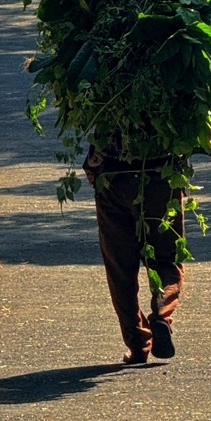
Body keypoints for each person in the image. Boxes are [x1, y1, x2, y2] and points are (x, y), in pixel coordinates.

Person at [84, 146, 184, 365]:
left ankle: (137, 343)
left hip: (113, 176)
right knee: (165, 260)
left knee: (120, 268)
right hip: (161, 173)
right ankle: (161, 315)